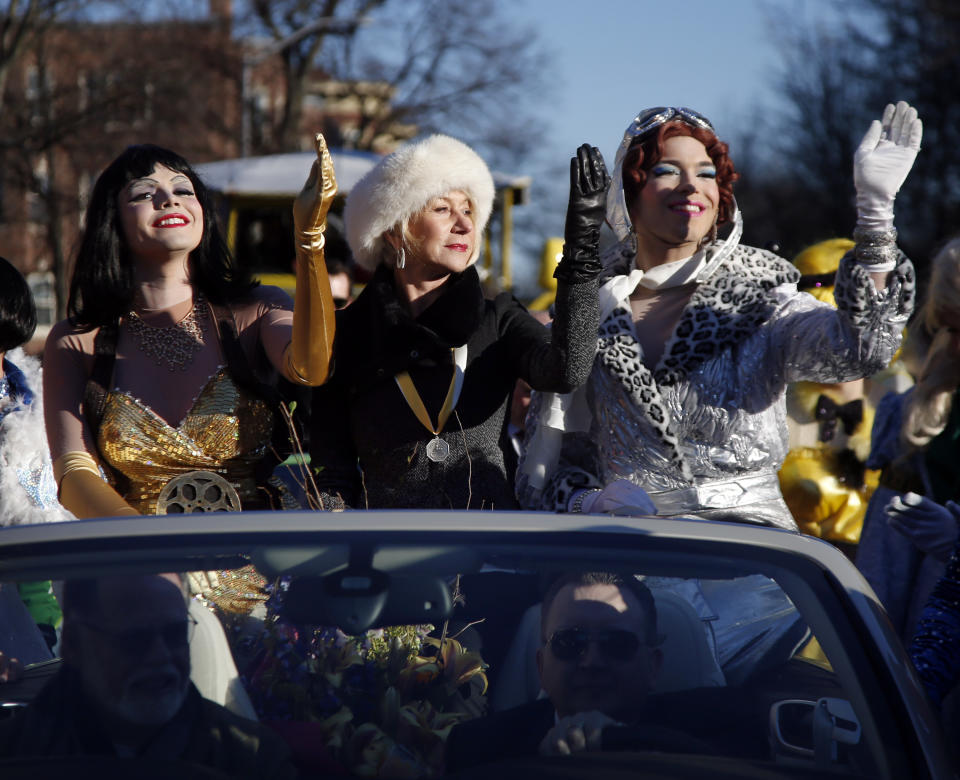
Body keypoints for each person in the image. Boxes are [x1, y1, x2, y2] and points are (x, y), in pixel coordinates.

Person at [518, 102, 920, 530]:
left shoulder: (763, 294)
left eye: (706, 173)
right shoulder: (591, 306)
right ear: (627, 191)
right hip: (626, 548)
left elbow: (862, 351)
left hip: (746, 551)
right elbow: (550, 470)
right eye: (667, 170)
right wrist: (592, 504)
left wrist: (875, 214)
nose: (691, 186)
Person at [43, 135, 338, 520]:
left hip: (254, 564)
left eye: (184, 189)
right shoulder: (76, 341)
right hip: (141, 566)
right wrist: (150, 549)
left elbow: (312, 367)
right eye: (143, 194)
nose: (169, 200)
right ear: (110, 221)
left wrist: (309, 238)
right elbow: (73, 474)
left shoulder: (257, 307)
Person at [308, 134, 601, 509]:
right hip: (386, 556)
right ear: (396, 230)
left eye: (469, 210)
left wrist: (582, 249)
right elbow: (333, 475)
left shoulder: (498, 319)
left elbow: (567, 371)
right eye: (443, 209)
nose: (464, 224)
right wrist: (340, 551)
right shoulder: (346, 335)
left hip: (490, 555)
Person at [0, 572, 296, 776]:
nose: (160, 656)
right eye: (135, 638)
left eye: (174, 634)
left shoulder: (253, 758)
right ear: (75, 643)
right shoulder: (16, 755)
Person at [444, 572, 714, 769]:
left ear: (653, 666)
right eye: (569, 642)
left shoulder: (712, 743)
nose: (592, 661)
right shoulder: (478, 751)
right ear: (541, 665)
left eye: (617, 643)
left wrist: (626, 746)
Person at [857, 236, 960, 640]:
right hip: (932, 653)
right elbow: (882, 569)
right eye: (951, 327)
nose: (955, 344)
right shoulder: (918, 413)